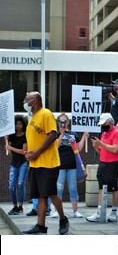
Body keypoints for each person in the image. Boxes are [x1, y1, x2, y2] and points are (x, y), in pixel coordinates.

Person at [21, 91, 69, 235]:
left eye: (26, 98)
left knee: (51, 194)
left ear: (34, 101)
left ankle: (63, 218)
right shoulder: (33, 117)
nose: (24, 101)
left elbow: (52, 135)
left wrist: (37, 153)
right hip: (35, 163)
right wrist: (30, 153)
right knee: (42, 195)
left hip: (48, 163)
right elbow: (35, 140)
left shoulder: (46, 113)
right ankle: (40, 226)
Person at [87, 113, 118, 223]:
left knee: (113, 188)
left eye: (104, 123)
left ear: (111, 122)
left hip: (113, 164)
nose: (103, 126)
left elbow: (115, 149)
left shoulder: (117, 133)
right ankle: (99, 212)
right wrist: (96, 146)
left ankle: (113, 212)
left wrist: (101, 144)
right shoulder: (104, 134)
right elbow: (103, 151)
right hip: (103, 163)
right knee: (101, 188)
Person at [50, 113, 88, 218]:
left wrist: (84, 137)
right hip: (60, 165)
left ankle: (75, 211)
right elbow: (55, 147)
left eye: (65, 121)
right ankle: (57, 211)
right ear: (58, 123)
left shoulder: (73, 134)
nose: (63, 123)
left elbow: (78, 149)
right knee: (59, 188)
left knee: (73, 188)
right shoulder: (55, 134)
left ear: (68, 122)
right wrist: (61, 135)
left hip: (72, 165)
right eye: (61, 121)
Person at [5, 115, 28, 215]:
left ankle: (20, 206)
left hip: (23, 162)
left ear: (23, 125)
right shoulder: (12, 137)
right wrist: (6, 140)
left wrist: (10, 147)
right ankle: (15, 206)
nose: (18, 126)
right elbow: (10, 152)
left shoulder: (25, 136)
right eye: (16, 124)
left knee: (20, 184)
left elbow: (24, 151)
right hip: (14, 163)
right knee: (11, 186)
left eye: (20, 124)